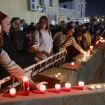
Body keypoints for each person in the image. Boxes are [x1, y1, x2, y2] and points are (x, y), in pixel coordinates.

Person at [0, 11, 47, 89]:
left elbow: (11, 66)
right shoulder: (8, 37)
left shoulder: (2, 50)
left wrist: (33, 84)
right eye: (8, 24)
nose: (10, 26)